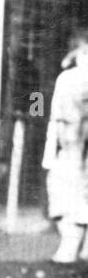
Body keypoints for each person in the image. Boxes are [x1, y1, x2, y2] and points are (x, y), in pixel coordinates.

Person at [44, 27, 88, 265]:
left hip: (73, 144)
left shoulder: (71, 78)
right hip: (71, 143)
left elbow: (62, 118)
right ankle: (76, 249)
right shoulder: (69, 77)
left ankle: (70, 249)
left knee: (70, 193)